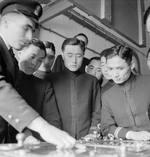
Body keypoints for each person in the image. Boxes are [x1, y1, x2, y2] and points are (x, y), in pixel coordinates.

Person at [0, 0, 75, 148]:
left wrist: (27, 134)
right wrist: (43, 127)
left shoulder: (9, 59)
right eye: (25, 28)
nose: (29, 37)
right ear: (5, 22)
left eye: (32, 30)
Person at [49, 38, 101, 139]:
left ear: (83, 56)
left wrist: (93, 132)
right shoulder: (51, 80)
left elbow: (97, 111)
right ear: (63, 56)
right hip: (58, 138)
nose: (74, 60)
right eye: (70, 55)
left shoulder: (92, 81)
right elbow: (49, 113)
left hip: (86, 138)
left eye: (79, 56)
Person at [101, 45, 150, 141]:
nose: (115, 74)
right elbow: (106, 128)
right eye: (111, 69)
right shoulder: (107, 95)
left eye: (119, 68)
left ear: (132, 65)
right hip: (126, 149)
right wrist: (129, 134)